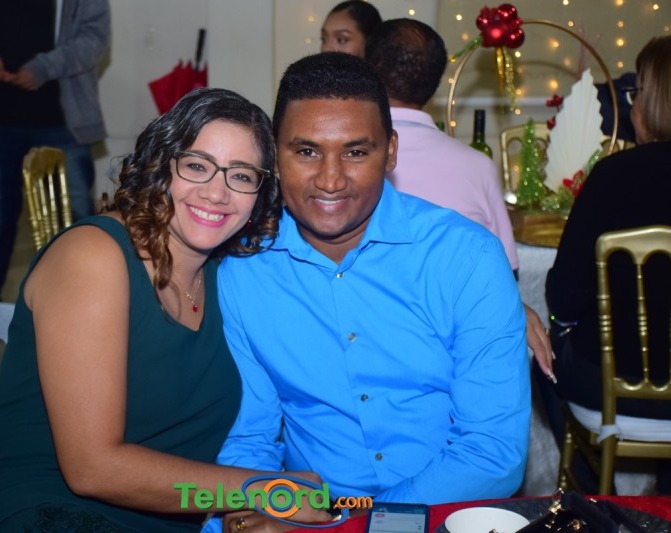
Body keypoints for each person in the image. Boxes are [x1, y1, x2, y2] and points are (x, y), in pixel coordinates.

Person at [0, 88, 333, 532]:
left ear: (261, 193)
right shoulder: (94, 257)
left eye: (241, 175)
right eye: (196, 166)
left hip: (165, 519)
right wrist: (261, 489)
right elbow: (91, 468)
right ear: (160, 166)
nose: (217, 192)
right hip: (29, 505)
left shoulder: (232, 275)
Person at [206, 52, 530, 532]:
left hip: (444, 515)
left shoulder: (466, 258)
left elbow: (492, 453)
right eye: (306, 151)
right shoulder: (245, 271)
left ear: (391, 152)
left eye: (356, 152)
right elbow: (250, 438)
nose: (330, 180)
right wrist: (260, 508)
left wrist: (355, 526)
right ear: (274, 154)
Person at [364, 18, 555, 382]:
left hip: (370, 341)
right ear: (436, 82)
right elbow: (505, 271)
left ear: (369, 68)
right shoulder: (477, 165)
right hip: (457, 350)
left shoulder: (348, 161)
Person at [537, 35, 671, 493]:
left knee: (540, 355)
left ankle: (596, 497)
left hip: (609, 386)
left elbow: (564, 296)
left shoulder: (613, 176)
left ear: (649, 104)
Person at [0, 0, 108, 306]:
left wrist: (45, 67)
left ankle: (80, 303)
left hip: (62, 123)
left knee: (74, 220)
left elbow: (95, 36)